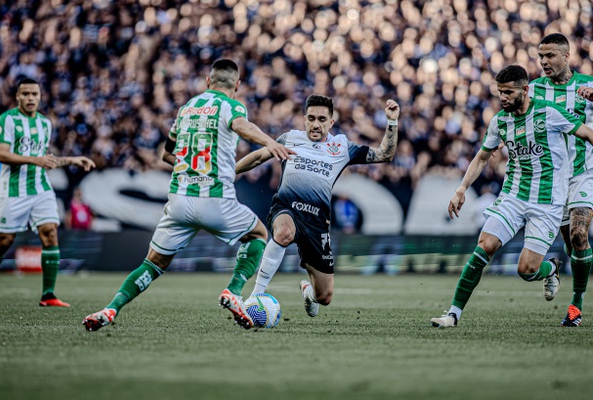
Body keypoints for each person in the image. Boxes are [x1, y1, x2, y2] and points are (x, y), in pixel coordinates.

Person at [82, 59, 294, 331]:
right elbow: (241, 125)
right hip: (215, 198)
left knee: (152, 263)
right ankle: (234, 290)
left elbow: (166, 154)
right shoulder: (231, 106)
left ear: (208, 81)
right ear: (237, 86)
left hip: (179, 200)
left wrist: (190, 167)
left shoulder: (186, 109)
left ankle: (111, 308)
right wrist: (270, 142)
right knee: (257, 235)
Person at [431, 65, 593, 328]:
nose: (503, 98)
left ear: (525, 90)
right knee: (485, 246)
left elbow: (587, 133)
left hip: (547, 202)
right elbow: (482, 157)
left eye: (508, 92)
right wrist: (461, 189)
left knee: (527, 270)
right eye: (500, 93)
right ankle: (453, 314)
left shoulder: (549, 113)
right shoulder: (500, 121)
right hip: (513, 196)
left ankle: (550, 269)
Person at [236, 95, 399, 317]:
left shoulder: (341, 146)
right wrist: (229, 173)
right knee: (283, 232)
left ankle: (308, 293)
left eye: (322, 119)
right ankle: (255, 297)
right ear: (304, 119)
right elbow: (258, 157)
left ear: (331, 122)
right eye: (311, 118)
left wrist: (392, 122)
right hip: (287, 207)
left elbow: (385, 154)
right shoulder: (289, 139)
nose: (316, 124)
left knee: (325, 297)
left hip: (317, 223)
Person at [0, 78, 96, 307]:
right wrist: (35, 160)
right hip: (13, 190)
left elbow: (45, 160)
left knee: (50, 232)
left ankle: (48, 294)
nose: (30, 98)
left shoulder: (44, 124)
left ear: (40, 97)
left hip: (41, 187)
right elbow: (1, 154)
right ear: (17, 96)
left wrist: (71, 160)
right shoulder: (6, 120)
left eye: (34, 94)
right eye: (25, 94)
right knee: (3, 242)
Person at [529, 33, 593, 327]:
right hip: (553, 178)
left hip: (584, 172)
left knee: (580, 235)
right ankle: (554, 268)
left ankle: (576, 306)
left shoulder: (587, 85)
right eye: (541, 56)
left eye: (550, 55)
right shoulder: (533, 89)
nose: (544, 62)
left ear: (567, 57)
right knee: (571, 245)